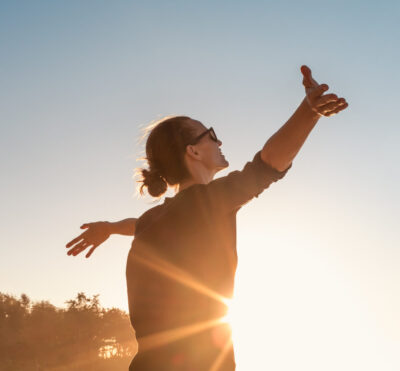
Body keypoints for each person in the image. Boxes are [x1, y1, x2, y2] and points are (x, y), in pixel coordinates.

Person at [65, 65, 348, 370]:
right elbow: (267, 165)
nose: (219, 142)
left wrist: (109, 228)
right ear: (193, 152)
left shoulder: (156, 219)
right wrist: (309, 112)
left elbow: (136, 226)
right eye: (211, 135)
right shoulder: (205, 203)